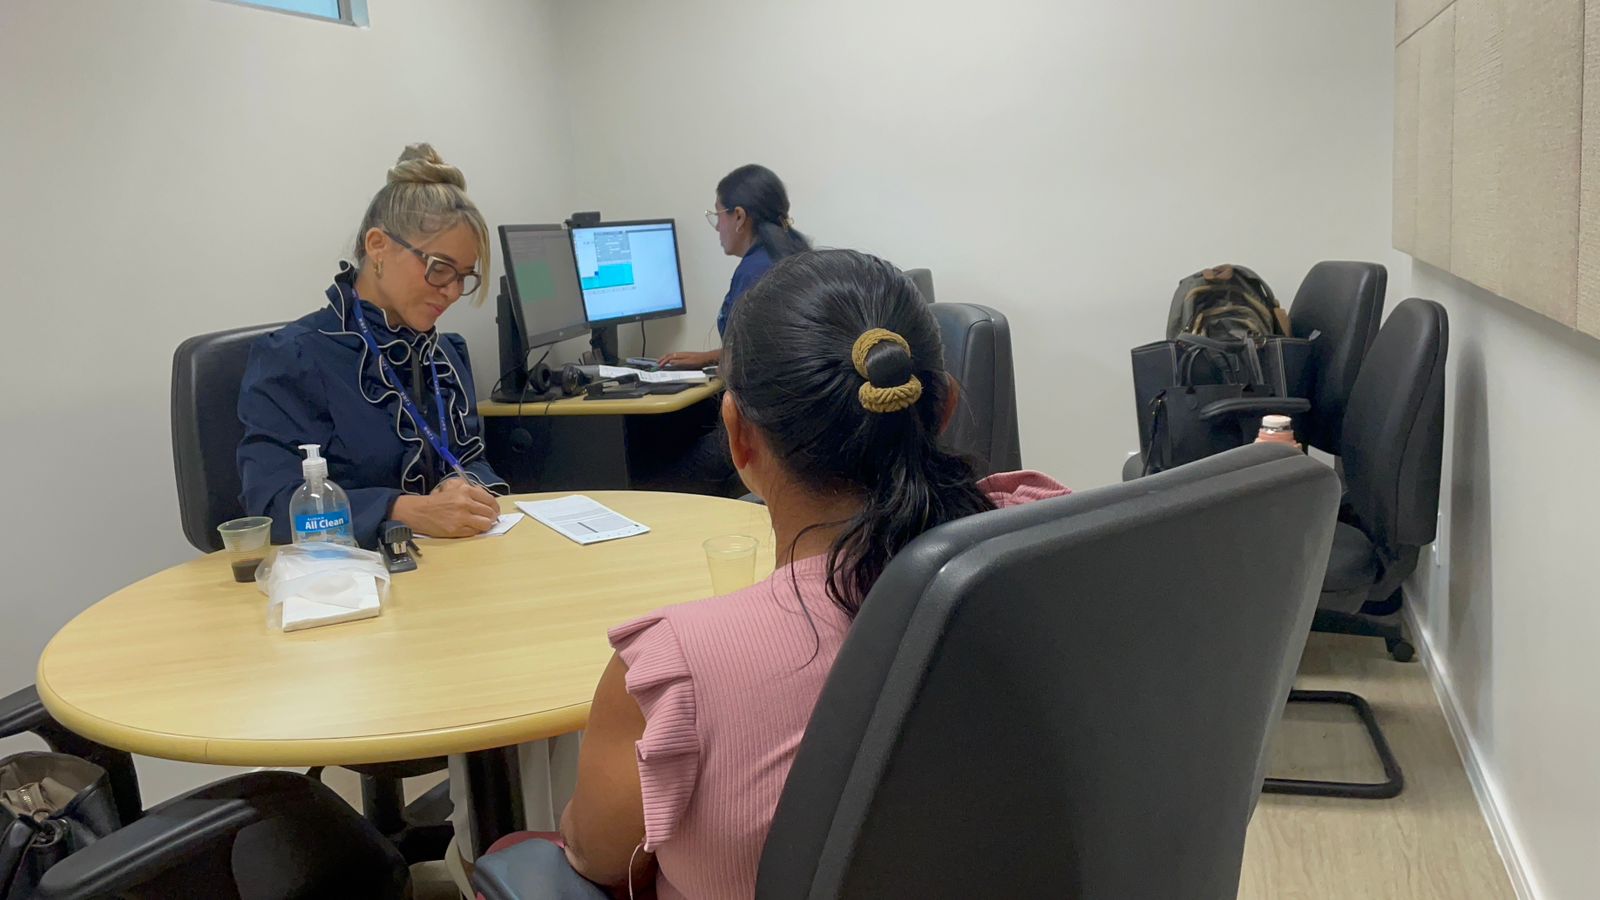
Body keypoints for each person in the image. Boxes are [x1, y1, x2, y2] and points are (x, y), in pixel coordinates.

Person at [531, 250, 1070, 898]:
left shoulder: (673, 674)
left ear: (739, 436)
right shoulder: (1054, 539)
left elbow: (596, 855)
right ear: (944, 407)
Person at [237, 143, 508, 548]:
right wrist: (402, 510)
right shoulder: (295, 358)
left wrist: (467, 491)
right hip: (346, 580)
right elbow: (270, 504)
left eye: (464, 276)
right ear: (378, 246)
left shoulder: (443, 354)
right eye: (439, 270)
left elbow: (469, 459)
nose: (452, 292)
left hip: (454, 567)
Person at [657, 164, 811, 370]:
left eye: (718, 215)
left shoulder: (754, 273)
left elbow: (751, 362)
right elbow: (765, 348)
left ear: (739, 216)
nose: (719, 227)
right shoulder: (795, 256)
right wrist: (710, 357)